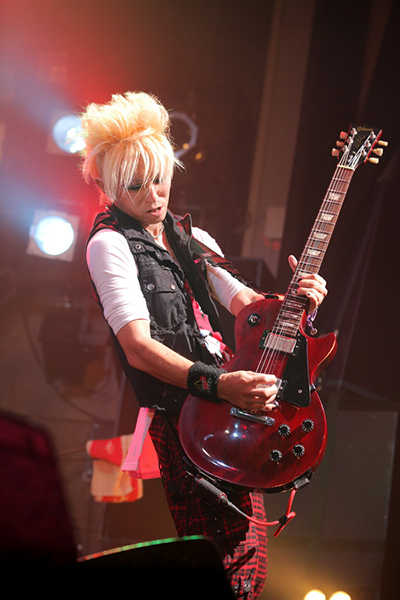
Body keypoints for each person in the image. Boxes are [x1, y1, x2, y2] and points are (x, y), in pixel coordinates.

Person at [80, 91, 327, 599]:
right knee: (230, 563)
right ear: (106, 188)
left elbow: (251, 308)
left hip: (230, 407)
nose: (154, 194)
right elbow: (138, 347)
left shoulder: (195, 239)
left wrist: (300, 299)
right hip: (186, 416)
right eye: (135, 185)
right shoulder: (109, 245)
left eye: (159, 177)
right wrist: (222, 385)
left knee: (244, 565)